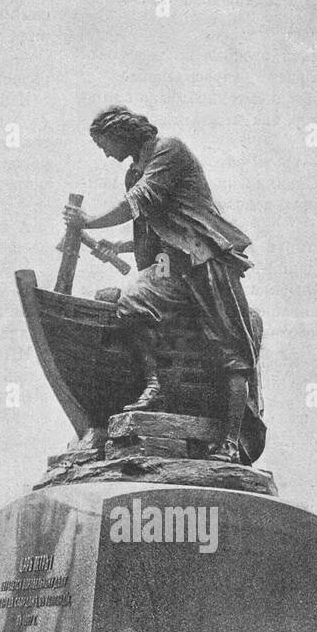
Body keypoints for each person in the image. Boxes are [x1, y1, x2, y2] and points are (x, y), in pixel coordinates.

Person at [63, 106, 260, 463]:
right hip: (170, 264)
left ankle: (231, 441)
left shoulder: (169, 150)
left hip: (205, 259)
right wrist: (119, 246)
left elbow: (140, 201)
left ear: (122, 132)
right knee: (132, 302)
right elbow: (149, 229)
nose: (106, 154)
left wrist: (89, 222)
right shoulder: (133, 172)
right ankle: (157, 383)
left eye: (105, 144)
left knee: (230, 352)